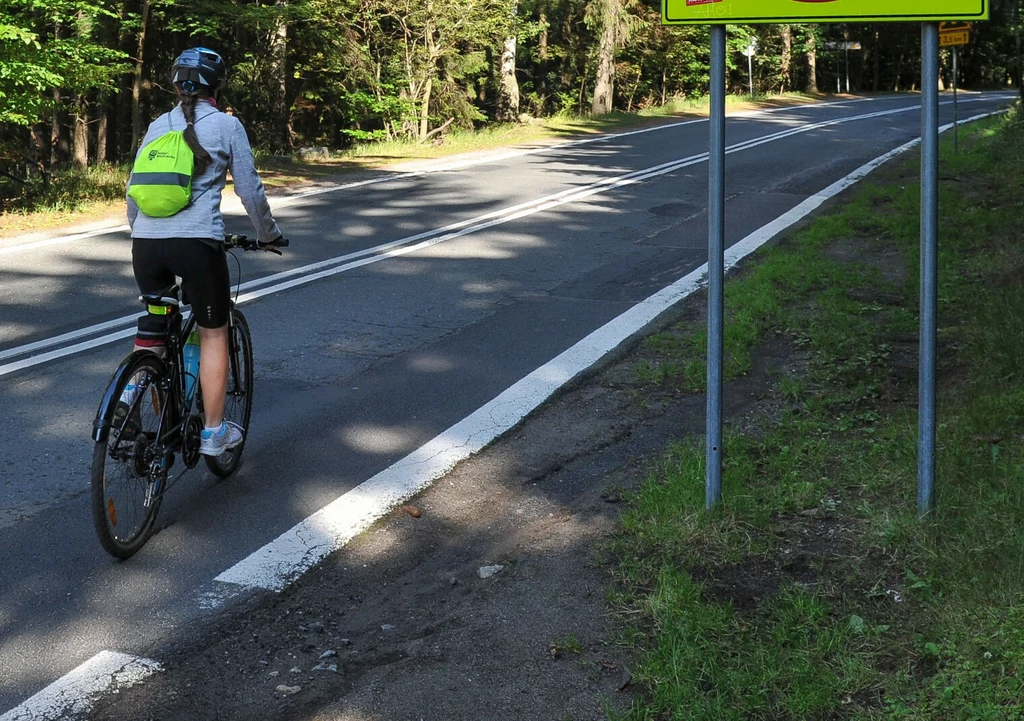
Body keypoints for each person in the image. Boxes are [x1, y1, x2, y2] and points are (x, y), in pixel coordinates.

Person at [126, 47, 284, 457]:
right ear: (216, 86)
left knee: (155, 323)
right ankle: (213, 433)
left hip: (145, 246)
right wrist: (268, 234)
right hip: (196, 246)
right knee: (214, 334)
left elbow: (133, 193)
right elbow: (249, 191)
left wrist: (146, 233)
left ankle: (128, 401)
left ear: (176, 83)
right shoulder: (227, 126)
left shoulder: (158, 125)